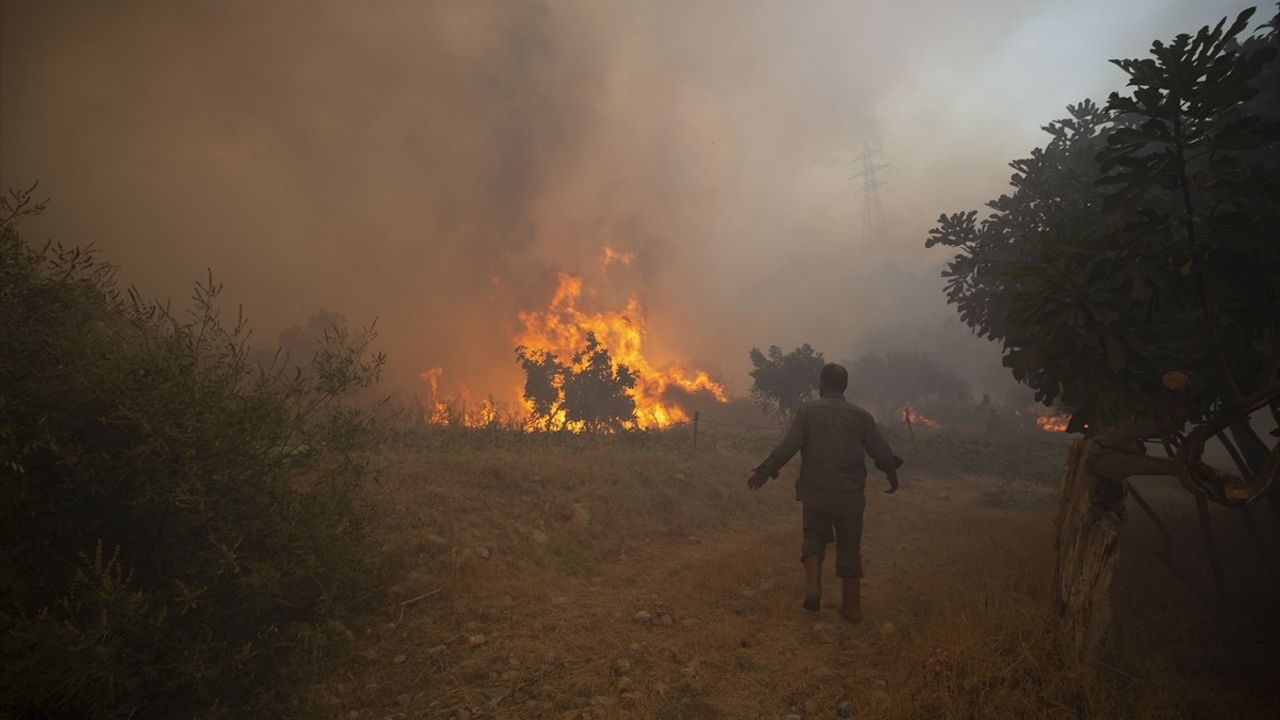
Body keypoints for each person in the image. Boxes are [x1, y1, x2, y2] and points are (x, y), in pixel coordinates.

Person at [747, 363, 902, 623]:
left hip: (816, 490)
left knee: (813, 536)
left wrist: (764, 472)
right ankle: (852, 608)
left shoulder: (808, 411)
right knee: (850, 546)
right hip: (850, 494)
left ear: (821, 383)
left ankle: (813, 588)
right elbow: (881, 452)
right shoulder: (862, 416)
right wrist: (892, 475)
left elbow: (789, 446)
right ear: (845, 386)